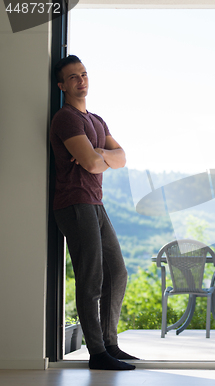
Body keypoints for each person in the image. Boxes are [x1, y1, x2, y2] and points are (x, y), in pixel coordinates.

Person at [50, 55, 138, 370]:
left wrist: (100, 152)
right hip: (74, 202)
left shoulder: (97, 121)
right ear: (61, 85)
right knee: (91, 277)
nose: (81, 80)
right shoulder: (66, 118)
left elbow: (122, 157)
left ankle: (111, 345)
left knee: (117, 273)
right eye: (73, 77)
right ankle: (98, 354)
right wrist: (101, 157)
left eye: (84, 74)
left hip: (95, 202)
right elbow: (89, 165)